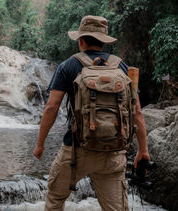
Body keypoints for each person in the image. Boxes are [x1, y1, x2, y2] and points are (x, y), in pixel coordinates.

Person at [33, 15, 150, 211]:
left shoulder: (68, 66)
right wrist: (143, 150)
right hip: (113, 153)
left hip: (76, 152)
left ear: (81, 40)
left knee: (55, 199)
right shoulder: (121, 66)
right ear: (104, 41)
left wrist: (40, 144)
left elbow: (51, 107)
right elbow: (137, 111)